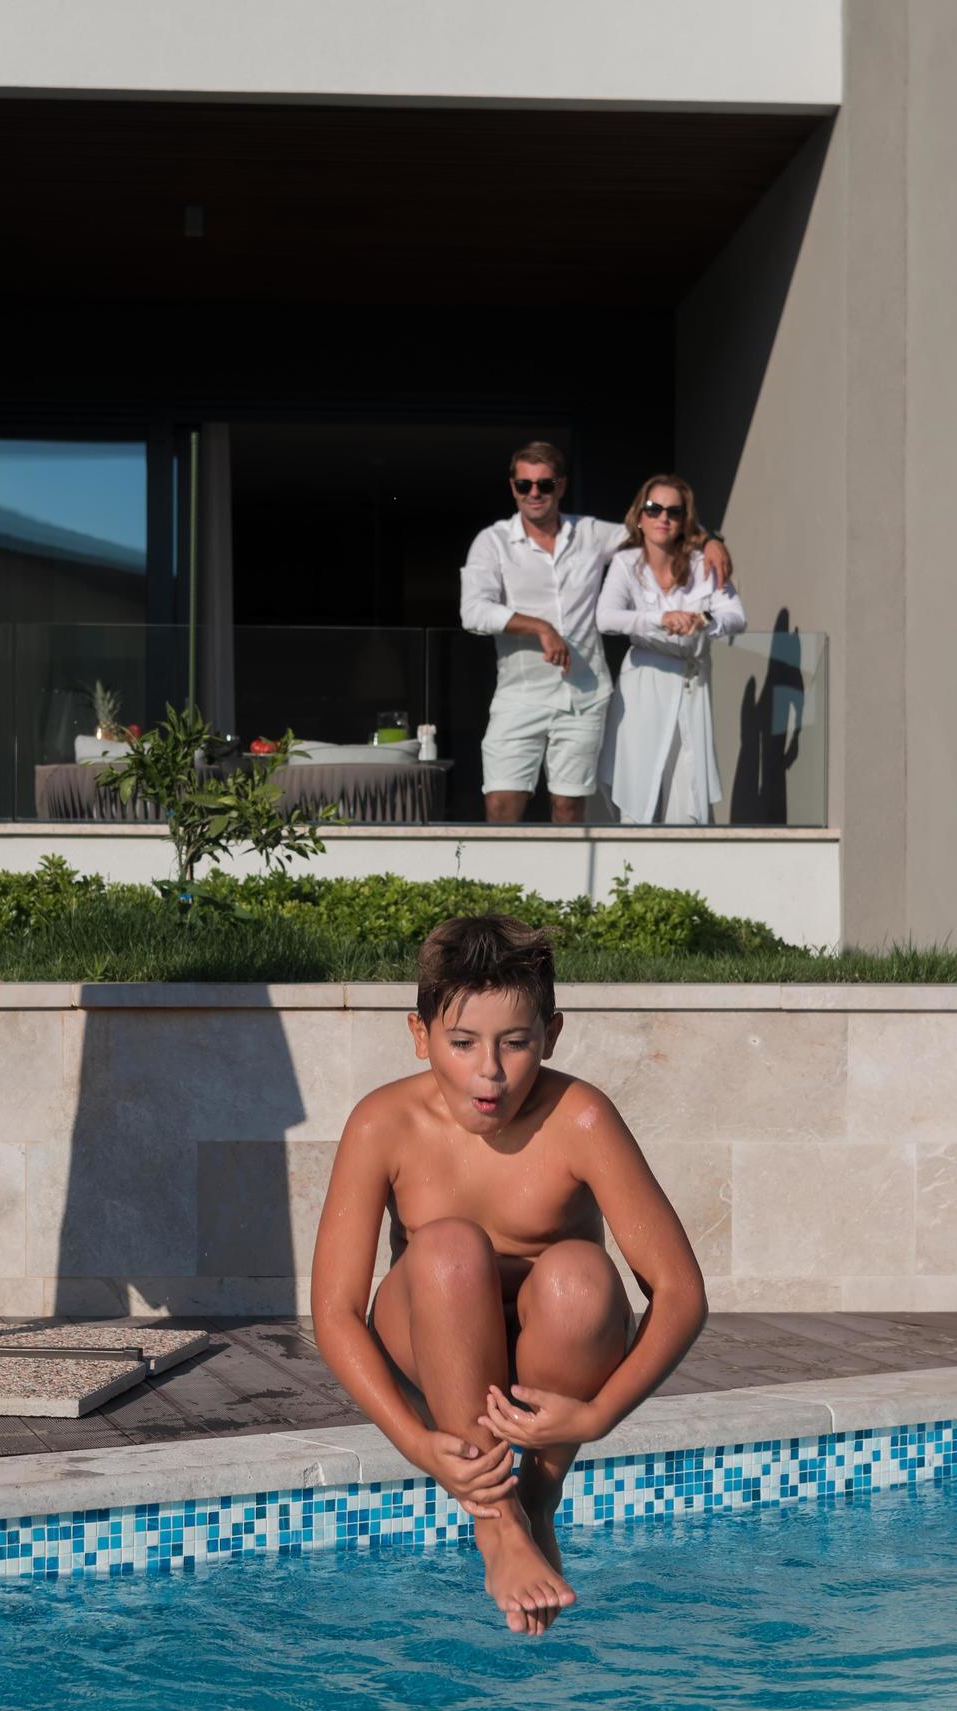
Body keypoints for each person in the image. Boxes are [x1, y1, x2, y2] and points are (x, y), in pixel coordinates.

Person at [308, 915, 709, 1635]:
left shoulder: (580, 1118)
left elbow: (680, 1294)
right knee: (449, 1247)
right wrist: (415, 1443)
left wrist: (596, 1417)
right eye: (462, 1044)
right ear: (420, 1033)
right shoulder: (384, 1123)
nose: (489, 1073)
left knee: (581, 1275)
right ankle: (495, 1522)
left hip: (550, 1361)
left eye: (516, 1044)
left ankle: (538, 1498)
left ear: (551, 1035)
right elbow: (335, 1311)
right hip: (430, 1338)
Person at [459, 441, 730, 824]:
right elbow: (473, 611)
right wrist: (539, 627)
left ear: (561, 486)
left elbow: (653, 524)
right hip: (520, 694)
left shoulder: (588, 533)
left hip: (583, 695)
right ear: (513, 487)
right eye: (525, 485)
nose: (534, 493)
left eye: (545, 484)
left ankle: (564, 886)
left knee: (569, 809)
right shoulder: (493, 542)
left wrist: (711, 538)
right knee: (502, 804)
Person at [600, 473, 745, 824]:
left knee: (689, 787)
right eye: (654, 509)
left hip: (691, 681)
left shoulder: (701, 564)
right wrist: (659, 619)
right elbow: (606, 618)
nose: (663, 518)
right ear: (640, 515)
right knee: (637, 785)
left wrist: (703, 619)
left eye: (674, 512)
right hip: (644, 679)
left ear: (685, 519)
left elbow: (736, 617)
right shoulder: (625, 563)